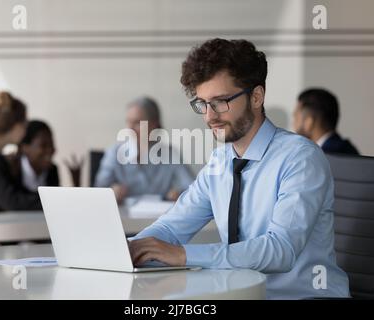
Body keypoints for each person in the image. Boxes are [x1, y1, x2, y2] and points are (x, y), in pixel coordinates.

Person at [128, 39, 350, 299]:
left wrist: (181, 255)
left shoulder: (301, 159)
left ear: (256, 97)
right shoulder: (220, 161)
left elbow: (281, 250)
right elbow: (171, 228)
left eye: (220, 102)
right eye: (202, 104)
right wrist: (128, 249)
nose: (209, 117)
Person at [94, 96, 194, 202]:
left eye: (137, 122)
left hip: (158, 215)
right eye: (128, 122)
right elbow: (98, 191)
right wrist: (112, 192)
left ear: (154, 124)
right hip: (124, 217)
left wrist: (179, 193)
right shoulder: (114, 152)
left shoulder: (170, 154)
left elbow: (192, 188)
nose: (130, 128)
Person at [293, 88, 359, 155]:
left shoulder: (326, 156)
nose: (293, 124)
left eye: (296, 117)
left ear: (309, 122)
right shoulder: (345, 149)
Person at [18, 120, 60, 191]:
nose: (51, 150)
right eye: (43, 145)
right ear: (25, 148)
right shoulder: (13, 170)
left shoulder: (52, 171)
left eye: (51, 144)